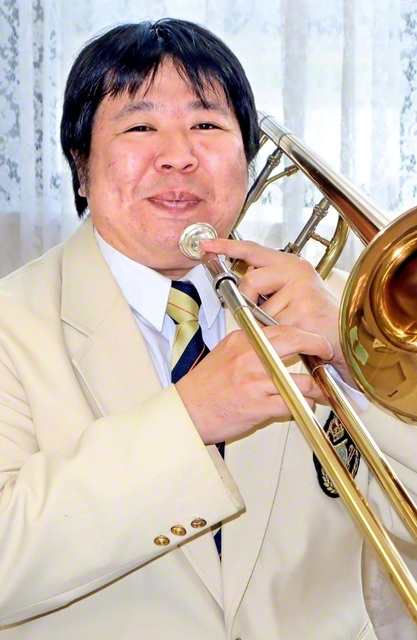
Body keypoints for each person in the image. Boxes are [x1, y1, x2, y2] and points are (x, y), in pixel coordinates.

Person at [0, 18, 415, 640]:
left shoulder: (336, 305)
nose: (179, 154)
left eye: (207, 125)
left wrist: (362, 365)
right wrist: (189, 417)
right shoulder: (11, 321)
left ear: (248, 160)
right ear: (80, 167)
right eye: (140, 127)